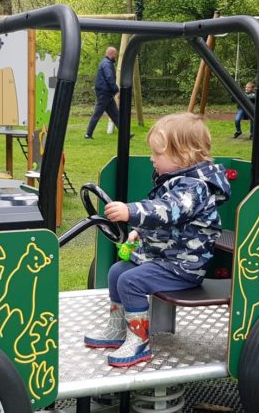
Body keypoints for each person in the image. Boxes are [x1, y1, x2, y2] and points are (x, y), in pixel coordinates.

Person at [86, 112, 231, 367]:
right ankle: (117, 329)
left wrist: (130, 212)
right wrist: (139, 232)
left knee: (131, 280)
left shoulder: (194, 187)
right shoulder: (174, 181)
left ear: (184, 155)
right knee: (117, 271)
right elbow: (168, 222)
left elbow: (167, 211)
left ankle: (138, 340)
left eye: (158, 154)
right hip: (165, 258)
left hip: (184, 265)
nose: (152, 158)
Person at [84, 47, 120, 139]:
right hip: (104, 93)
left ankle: (125, 134)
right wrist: (116, 90)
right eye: (115, 55)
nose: (115, 57)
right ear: (111, 54)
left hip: (106, 93)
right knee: (97, 114)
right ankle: (88, 134)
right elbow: (109, 78)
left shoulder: (105, 63)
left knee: (115, 114)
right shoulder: (107, 64)